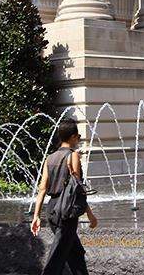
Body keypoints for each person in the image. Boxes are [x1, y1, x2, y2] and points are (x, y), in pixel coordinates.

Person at [31, 118, 98, 275]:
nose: (78, 141)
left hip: (52, 210)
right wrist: (89, 213)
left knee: (75, 252)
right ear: (73, 136)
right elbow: (77, 189)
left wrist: (36, 216)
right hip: (66, 210)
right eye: (78, 137)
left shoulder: (50, 158)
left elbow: (42, 189)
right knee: (58, 256)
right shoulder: (73, 156)